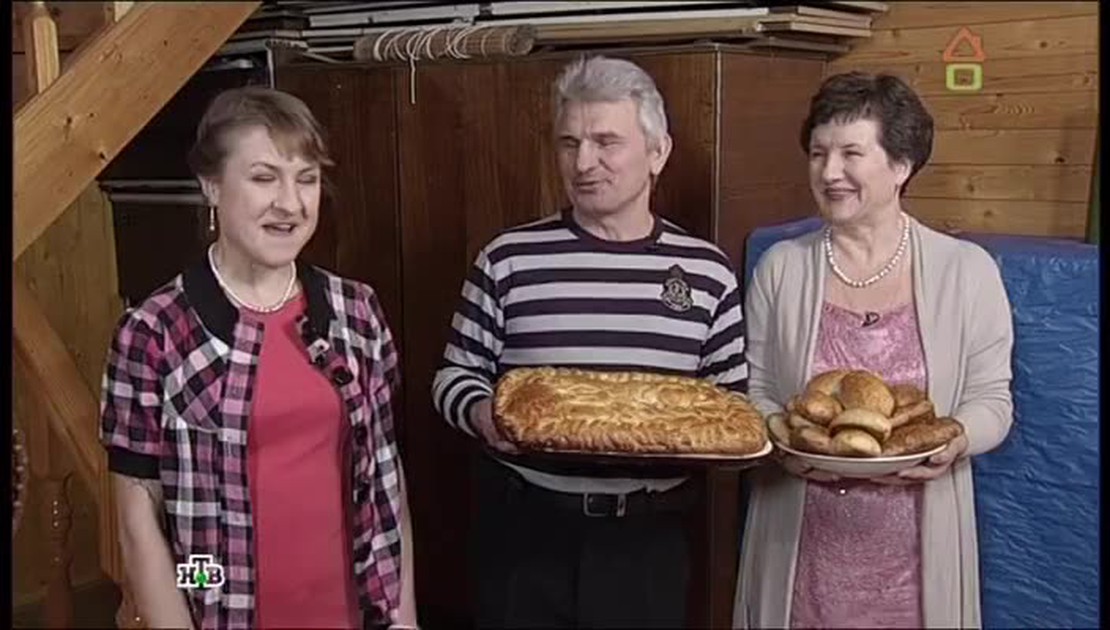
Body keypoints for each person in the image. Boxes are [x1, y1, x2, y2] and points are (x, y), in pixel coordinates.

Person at [431, 55, 747, 628]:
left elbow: (731, 403)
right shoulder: (508, 258)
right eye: (569, 142)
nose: (583, 163)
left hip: (648, 542)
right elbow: (455, 376)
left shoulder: (706, 272)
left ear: (658, 152)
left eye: (606, 142)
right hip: (527, 534)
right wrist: (481, 412)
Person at [99, 87, 417, 630]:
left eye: (306, 179)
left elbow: (386, 479)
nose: (291, 204)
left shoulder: (358, 312)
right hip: (224, 610)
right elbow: (139, 519)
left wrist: (403, 617)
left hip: (354, 612)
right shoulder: (153, 332)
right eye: (264, 178)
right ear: (211, 185)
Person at [733, 72, 1015, 628]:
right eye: (818, 153)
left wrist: (956, 440)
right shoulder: (781, 267)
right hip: (800, 549)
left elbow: (993, 401)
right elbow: (756, 389)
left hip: (916, 560)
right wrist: (782, 442)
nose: (828, 172)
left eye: (851, 154)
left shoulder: (967, 271)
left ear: (901, 164)